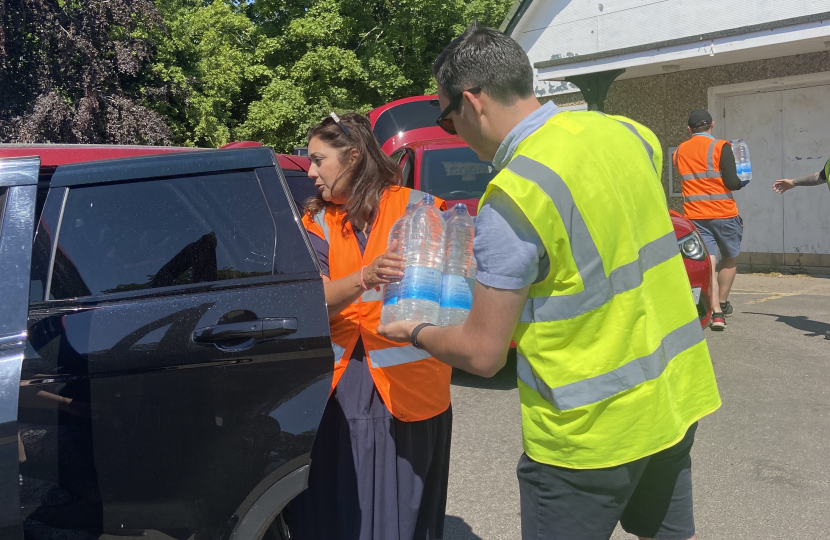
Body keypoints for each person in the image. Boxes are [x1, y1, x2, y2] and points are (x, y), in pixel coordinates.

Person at [378, 23, 722, 540]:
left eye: (448, 121)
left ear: (472, 102)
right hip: (675, 396)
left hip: (586, 434)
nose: (455, 133)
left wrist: (415, 330)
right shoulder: (629, 134)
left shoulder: (514, 195)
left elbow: (482, 354)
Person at [287, 112, 452, 540]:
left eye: (319, 159)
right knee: (345, 511)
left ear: (354, 157)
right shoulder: (317, 221)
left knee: (399, 512)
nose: (310, 171)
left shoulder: (422, 209)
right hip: (345, 386)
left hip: (408, 388)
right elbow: (314, 300)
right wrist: (366, 276)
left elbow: (449, 298)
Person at [672, 109, 744, 330]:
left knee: (708, 261)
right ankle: (721, 303)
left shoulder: (679, 151)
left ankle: (715, 311)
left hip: (694, 215)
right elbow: (732, 182)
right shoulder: (721, 147)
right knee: (729, 259)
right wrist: (742, 182)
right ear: (712, 124)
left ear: (689, 129)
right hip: (723, 212)